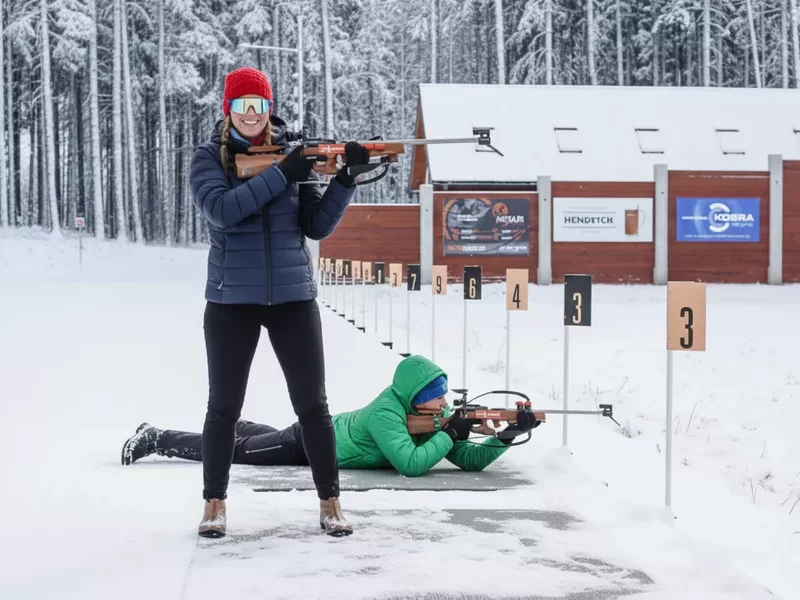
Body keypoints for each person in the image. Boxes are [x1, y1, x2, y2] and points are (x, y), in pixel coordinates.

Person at [187, 66, 371, 539]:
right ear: (228, 111)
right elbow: (222, 211)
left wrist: (345, 180)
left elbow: (315, 226)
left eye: (260, 105)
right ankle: (214, 504)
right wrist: (284, 172)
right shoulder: (209, 158)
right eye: (242, 106)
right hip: (231, 300)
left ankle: (330, 502)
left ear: (270, 109)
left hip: (293, 298)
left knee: (313, 405)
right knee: (223, 408)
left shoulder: (297, 155)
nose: (251, 115)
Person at [122, 355, 540, 480]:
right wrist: (452, 433)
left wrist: (504, 437)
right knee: (237, 453)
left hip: (321, 434)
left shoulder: (440, 416)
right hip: (310, 445)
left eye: (443, 393)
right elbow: (411, 466)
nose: (442, 400)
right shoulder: (386, 412)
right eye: (434, 394)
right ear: (412, 396)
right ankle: (156, 437)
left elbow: (467, 460)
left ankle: (245, 425)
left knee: (253, 436)